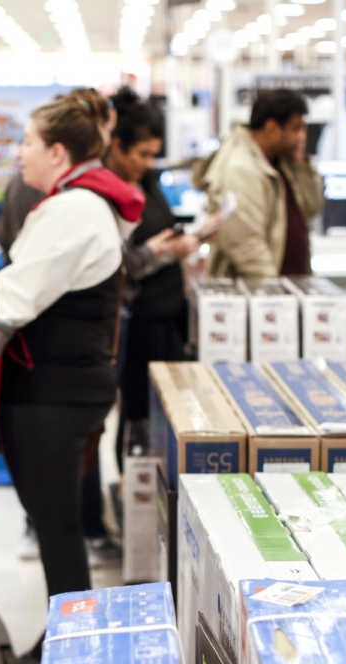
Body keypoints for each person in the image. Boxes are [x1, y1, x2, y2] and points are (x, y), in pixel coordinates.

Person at [0, 88, 145, 664]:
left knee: (57, 525)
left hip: (53, 391)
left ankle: (72, 644)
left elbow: (12, 298)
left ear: (58, 152)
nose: (19, 154)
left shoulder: (72, 211)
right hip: (69, 384)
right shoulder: (88, 203)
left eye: (27, 143)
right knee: (56, 522)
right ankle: (70, 636)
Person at [104, 88, 200, 462]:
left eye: (152, 155)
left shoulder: (146, 184)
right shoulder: (107, 196)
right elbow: (116, 261)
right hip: (139, 320)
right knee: (137, 413)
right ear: (117, 146)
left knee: (167, 411)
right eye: (142, 154)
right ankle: (135, 493)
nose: (147, 162)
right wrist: (157, 253)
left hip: (168, 315)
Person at [193, 89, 324, 278]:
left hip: (286, 288)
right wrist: (273, 293)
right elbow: (245, 243)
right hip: (260, 296)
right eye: (296, 128)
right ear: (272, 128)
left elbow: (311, 208)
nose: (302, 136)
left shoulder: (282, 161)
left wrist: (301, 165)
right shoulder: (242, 168)